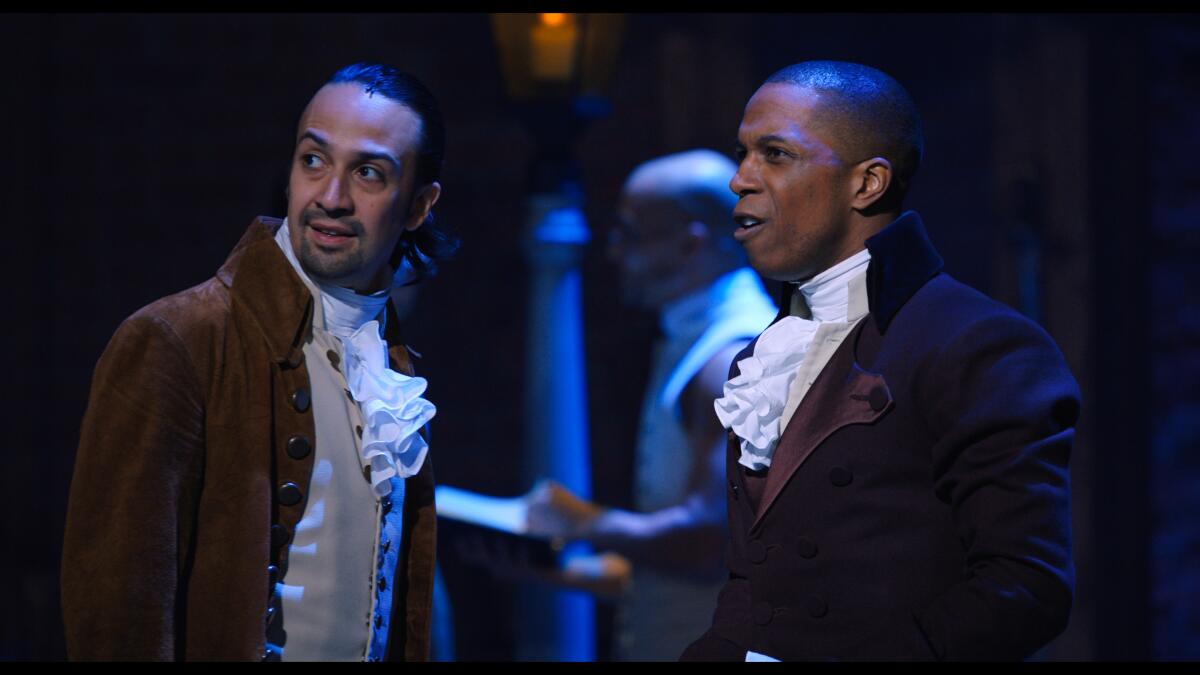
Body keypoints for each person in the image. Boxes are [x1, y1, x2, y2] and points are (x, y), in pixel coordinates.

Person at [680, 61, 1080, 661]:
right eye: (741, 153)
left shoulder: (978, 344)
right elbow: (755, 592)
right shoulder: (764, 358)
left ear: (867, 183)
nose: (740, 179)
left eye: (776, 154)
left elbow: (1025, 586)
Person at [61, 62, 457, 661]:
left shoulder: (388, 361)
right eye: (313, 161)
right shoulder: (180, 340)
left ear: (418, 206)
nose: (330, 197)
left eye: (368, 173)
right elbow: (117, 614)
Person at [525, 149, 778, 660]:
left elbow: (711, 541)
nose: (614, 252)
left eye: (631, 235)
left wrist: (580, 521)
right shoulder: (696, 339)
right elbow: (675, 572)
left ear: (691, 243)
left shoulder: (730, 357)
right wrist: (549, 565)